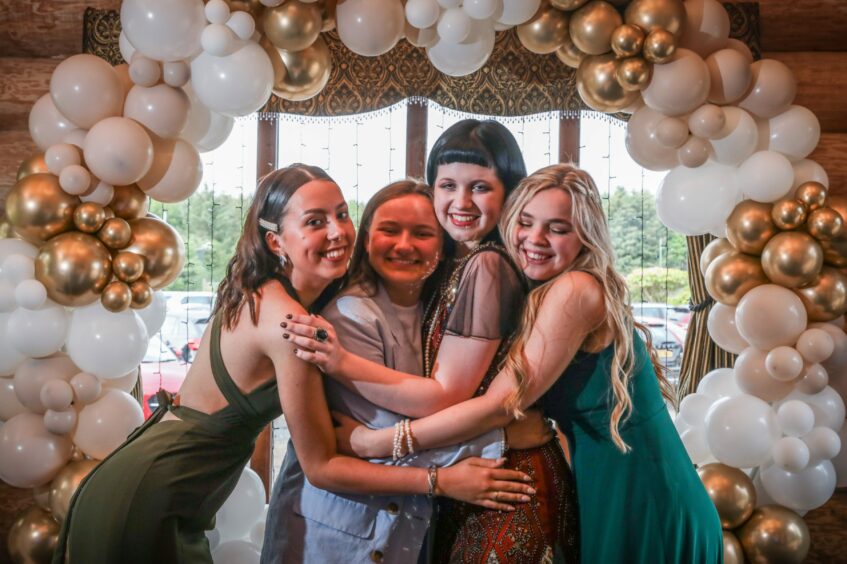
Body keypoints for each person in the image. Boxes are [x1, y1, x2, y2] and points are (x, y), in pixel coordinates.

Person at [54, 165, 534, 564]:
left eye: (342, 215)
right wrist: (443, 482)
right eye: (314, 221)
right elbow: (322, 466)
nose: (337, 232)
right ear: (276, 242)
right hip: (151, 491)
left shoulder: (270, 289)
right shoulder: (292, 324)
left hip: (165, 483)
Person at [300, 164, 724, 563]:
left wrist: (382, 441)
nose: (534, 238)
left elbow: (502, 403)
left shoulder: (575, 288)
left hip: (642, 483)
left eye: (557, 229)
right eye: (525, 222)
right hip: (601, 477)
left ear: (586, 237)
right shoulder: (540, 287)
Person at [283, 123, 580, 563]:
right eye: (447, 186)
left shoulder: (488, 266)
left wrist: (347, 377)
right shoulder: (462, 268)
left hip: (501, 477)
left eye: (479, 187)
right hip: (478, 473)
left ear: (509, 191)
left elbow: (447, 396)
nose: (460, 202)